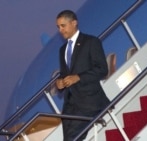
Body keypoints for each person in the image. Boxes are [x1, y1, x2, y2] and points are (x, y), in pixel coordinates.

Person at [55, 10, 110, 141]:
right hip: (70, 105)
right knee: (69, 138)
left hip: (88, 102)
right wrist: (60, 83)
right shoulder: (62, 49)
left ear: (74, 23)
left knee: (73, 137)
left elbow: (102, 69)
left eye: (63, 25)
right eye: (58, 27)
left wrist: (78, 77)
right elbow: (65, 74)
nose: (61, 30)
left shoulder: (91, 42)